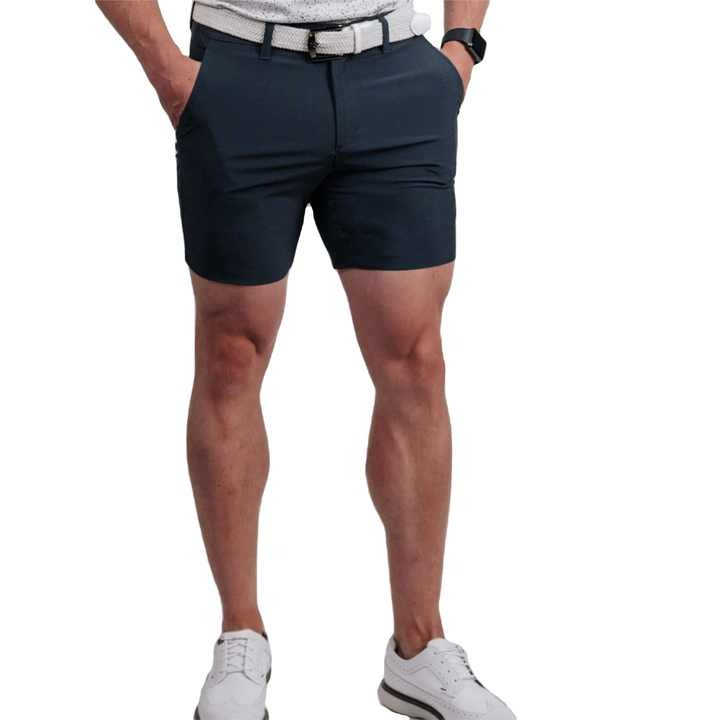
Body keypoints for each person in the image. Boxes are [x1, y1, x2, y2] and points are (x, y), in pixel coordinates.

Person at [96, 1, 514, 718]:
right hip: (242, 77)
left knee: (415, 360)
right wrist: (167, 70)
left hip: (396, 81)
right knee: (232, 352)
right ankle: (240, 635)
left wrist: (462, 47)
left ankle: (419, 647)